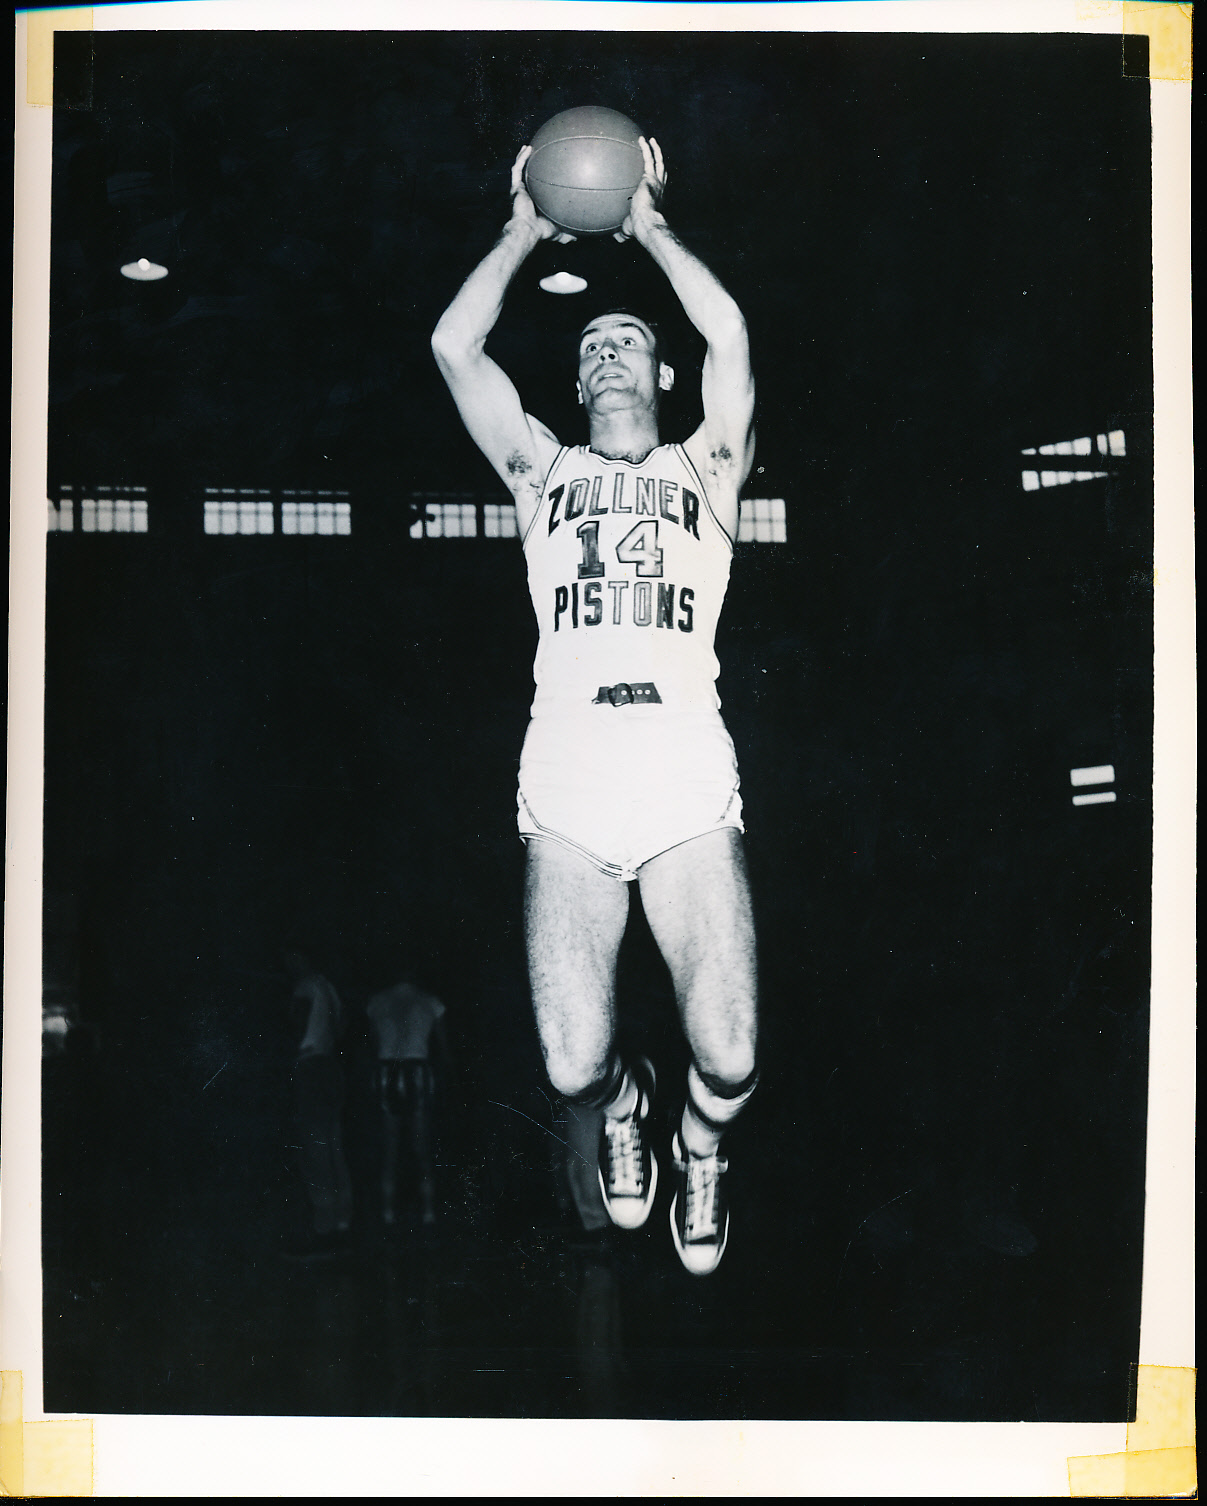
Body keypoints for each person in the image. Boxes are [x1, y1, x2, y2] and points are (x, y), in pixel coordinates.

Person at [431, 137, 758, 1275]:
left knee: (727, 1052)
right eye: (591, 348)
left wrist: (649, 225)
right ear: (573, 387)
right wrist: (526, 225)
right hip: (569, 772)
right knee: (570, 1068)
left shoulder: (705, 470)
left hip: (678, 766)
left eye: (628, 341)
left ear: (657, 378)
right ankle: (625, 1107)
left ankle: (700, 1141)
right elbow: (453, 344)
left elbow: (728, 336)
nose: (610, 353)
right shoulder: (543, 475)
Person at [282, 951, 354, 1259]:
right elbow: (342, 1024)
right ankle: (342, 1225)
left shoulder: (302, 988)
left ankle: (324, 1232)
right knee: (334, 1145)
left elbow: (296, 1023)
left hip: (310, 1065)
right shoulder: (327, 986)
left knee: (315, 1149)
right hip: (329, 1064)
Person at [366, 978, 451, 1229]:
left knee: (390, 1148)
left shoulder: (377, 1002)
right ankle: (428, 1213)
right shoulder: (430, 1001)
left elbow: (373, 1044)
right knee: (422, 1148)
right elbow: (443, 1047)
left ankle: (388, 1213)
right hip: (417, 1070)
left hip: (387, 1070)